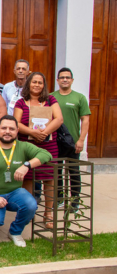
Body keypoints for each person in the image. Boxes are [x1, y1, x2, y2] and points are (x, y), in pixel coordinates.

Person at [0, 115, 52, 247]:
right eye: (4, 128)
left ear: (17, 131)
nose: (7, 131)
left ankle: (15, 232)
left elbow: (46, 155)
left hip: (15, 192)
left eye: (11, 129)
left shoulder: (23, 146)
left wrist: (26, 165)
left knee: (31, 205)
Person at [13, 72, 63, 229]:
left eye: (40, 82)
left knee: (49, 179)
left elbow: (59, 119)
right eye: (34, 82)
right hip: (27, 145)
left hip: (48, 145)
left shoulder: (50, 100)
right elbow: (16, 123)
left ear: (44, 85)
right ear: (28, 84)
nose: (36, 85)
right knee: (28, 178)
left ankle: (48, 213)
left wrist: (44, 132)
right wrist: (32, 132)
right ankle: (29, 212)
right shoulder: (21, 102)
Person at [51, 68, 90, 210]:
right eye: (62, 77)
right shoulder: (51, 97)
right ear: (57, 80)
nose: (65, 79)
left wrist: (81, 140)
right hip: (55, 141)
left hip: (73, 142)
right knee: (57, 171)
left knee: (73, 171)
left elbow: (85, 120)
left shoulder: (79, 98)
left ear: (72, 80)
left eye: (68, 77)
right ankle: (59, 198)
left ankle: (75, 200)